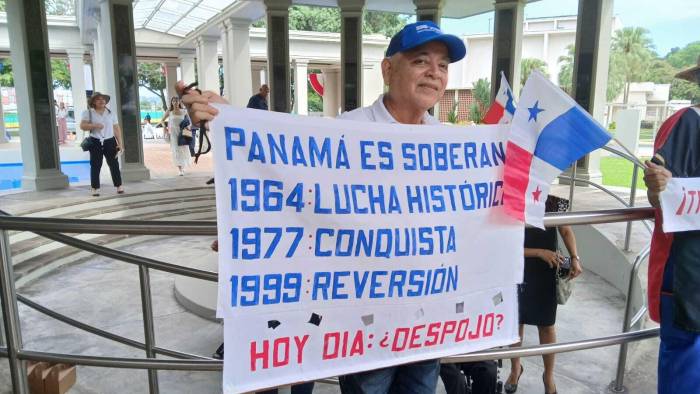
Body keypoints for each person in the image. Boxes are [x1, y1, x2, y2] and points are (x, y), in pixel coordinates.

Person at [177, 20, 466, 394]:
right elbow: (291, 181)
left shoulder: (453, 145)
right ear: (388, 69)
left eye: (443, 65)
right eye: (421, 61)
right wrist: (232, 120)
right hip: (365, 321)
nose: (434, 73)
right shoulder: (347, 130)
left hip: (428, 318)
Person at [643, 56, 700, 394]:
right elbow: (659, 194)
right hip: (689, 273)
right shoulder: (686, 123)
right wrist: (656, 184)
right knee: (685, 365)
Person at [505, 195, 582, 394]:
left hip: (547, 268)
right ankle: (515, 369)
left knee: (547, 325)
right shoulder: (511, 198)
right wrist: (538, 252)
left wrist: (575, 257)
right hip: (517, 266)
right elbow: (505, 242)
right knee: (516, 322)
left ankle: (548, 376)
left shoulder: (553, 201)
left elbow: (566, 229)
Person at [80, 92, 124, 197]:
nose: (101, 101)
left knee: (114, 164)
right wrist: (94, 125)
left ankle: (119, 186)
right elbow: (82, 126)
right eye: (98, 99)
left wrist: (120, 144)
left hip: (110, 141)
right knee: (95, 165)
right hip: (95, 141)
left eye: (103, 99)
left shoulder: (111, 113)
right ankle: (95, 188)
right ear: (94, 102)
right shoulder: (88, 112)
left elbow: (116, 129)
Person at [157, 96, 191, 176]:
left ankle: (183, 166)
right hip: (173, 133)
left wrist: (187, 127)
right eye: (174, 101)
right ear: (172, 102)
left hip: (182, 133)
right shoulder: (169, 111)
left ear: (179, 102)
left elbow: (189, 122)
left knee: (183, 149)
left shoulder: (184, 111)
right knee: (176, 150)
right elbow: (162, 120)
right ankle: (180, 169)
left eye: (177, 101)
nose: (175, 102)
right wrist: (165, 127)